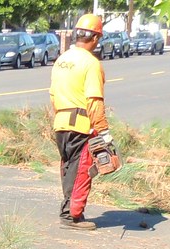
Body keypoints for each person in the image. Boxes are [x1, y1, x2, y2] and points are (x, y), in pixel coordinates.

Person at [49, 14, 110, 231]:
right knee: (80, 171)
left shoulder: (62, 59)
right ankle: (71, 216)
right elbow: (94, 101)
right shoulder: (90, 63)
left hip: (61, 123)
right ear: (95, 38)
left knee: (68, 169)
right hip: (81, 125)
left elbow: (54, 96)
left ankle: (69, 211)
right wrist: (103, 132)